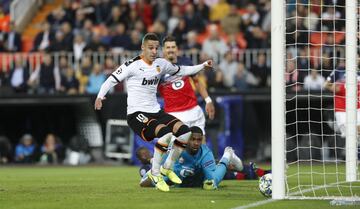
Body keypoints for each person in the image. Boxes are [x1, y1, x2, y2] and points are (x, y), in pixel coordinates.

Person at [94, 33, 213, 192]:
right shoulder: (132, 64)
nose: (154, 51)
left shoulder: (161, 64)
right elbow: (111, 79)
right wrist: (100, 96)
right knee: (166, 134)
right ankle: (155, 173)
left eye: (156, 48)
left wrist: (202, 65)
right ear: (143, 48)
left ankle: (167, 168)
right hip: (136, 114)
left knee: (185, 132)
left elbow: (184, 70)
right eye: (150, 47)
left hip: (155, 111)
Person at [138, 126, 271, 189]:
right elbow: (166, 169)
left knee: (210, 185)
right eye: (193, 140)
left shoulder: (205, 154)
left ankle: (227, 155)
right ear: (187, 140)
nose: (196, 143)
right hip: (181, 181)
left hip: (199, 178)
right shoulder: (176, 149)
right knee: (161, 180)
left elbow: (211, 179)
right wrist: (179, 172)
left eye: (199, 140)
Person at [158, 35, 215, 135]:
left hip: (193, 110)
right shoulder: (158, 69)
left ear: (177, 49)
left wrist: (208, 100)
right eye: (168, 47)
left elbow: (197, 82)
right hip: (173, 114)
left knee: (201, 144)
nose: (171, 50)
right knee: (178, 148)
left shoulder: (186, 61)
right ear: (163, 50)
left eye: (173, 47)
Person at [324, 73, 360, 138]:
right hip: (343, 112)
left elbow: (326, 85)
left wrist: (330, 77)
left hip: (354, 110)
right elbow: (327, 86)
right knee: (351, 134)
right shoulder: (343, 85)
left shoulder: (343, 85)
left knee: (353, 134)